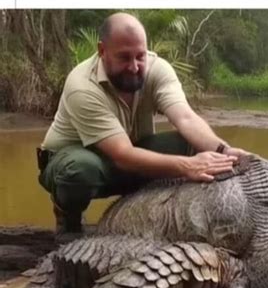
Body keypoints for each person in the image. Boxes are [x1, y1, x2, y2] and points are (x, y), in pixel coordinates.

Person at [38, 12, 246, 238]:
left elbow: (185, 118)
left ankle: (179, 218)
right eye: (124, 58)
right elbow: (123, 155)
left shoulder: (158, 69)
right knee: (79, 170)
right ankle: (68, 216)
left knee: (194, 145)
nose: (135, 66)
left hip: (130, 155)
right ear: (102, 51)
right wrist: (189, 166)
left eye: (140, 56)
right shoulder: (82, 86)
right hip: (82, 162)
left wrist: (224, 151)